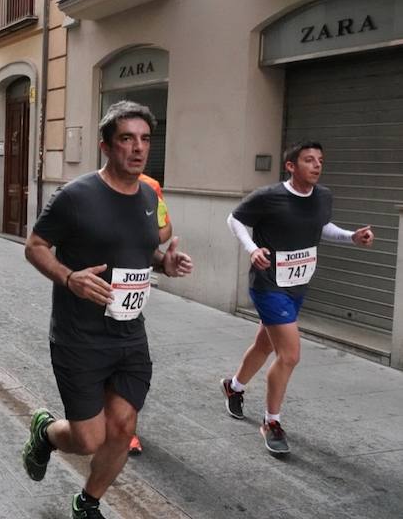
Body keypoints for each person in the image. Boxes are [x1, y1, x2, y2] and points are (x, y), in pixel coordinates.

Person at [22, 100, 193, 519]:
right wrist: (69, 278)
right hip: (79, 336)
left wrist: (163, 263)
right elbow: (35, 246)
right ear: (106, 146)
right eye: (126, 139)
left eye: (145, 139)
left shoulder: (151, 195)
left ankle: (88, 502)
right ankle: (45, 432)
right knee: (88, 439)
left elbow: (141, 250)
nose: (137, 148)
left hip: (129, 333)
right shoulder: (76, 196)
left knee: (123, 427)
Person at [222, 141, 373, 455]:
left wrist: (351, 237)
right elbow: (234, 219)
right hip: (268, 284)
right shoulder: (270, 196)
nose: (317, 165)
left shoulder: (323, 197)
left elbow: (322, 227)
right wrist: (252, 250)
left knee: (265, 344)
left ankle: (233, 386)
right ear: (291, 166)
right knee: (289, 355)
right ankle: (271, 421)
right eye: (308, 160)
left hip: (298, 285)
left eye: (320, 160)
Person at [127, 173, 173, 456]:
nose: (136, 148)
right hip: (99, 285)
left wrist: (144, 237)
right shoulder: (88, 187)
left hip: (132, 288)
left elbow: (164, 228)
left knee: (131, 363)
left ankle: (127, 431)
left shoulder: (150, 186)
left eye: (144, 140)